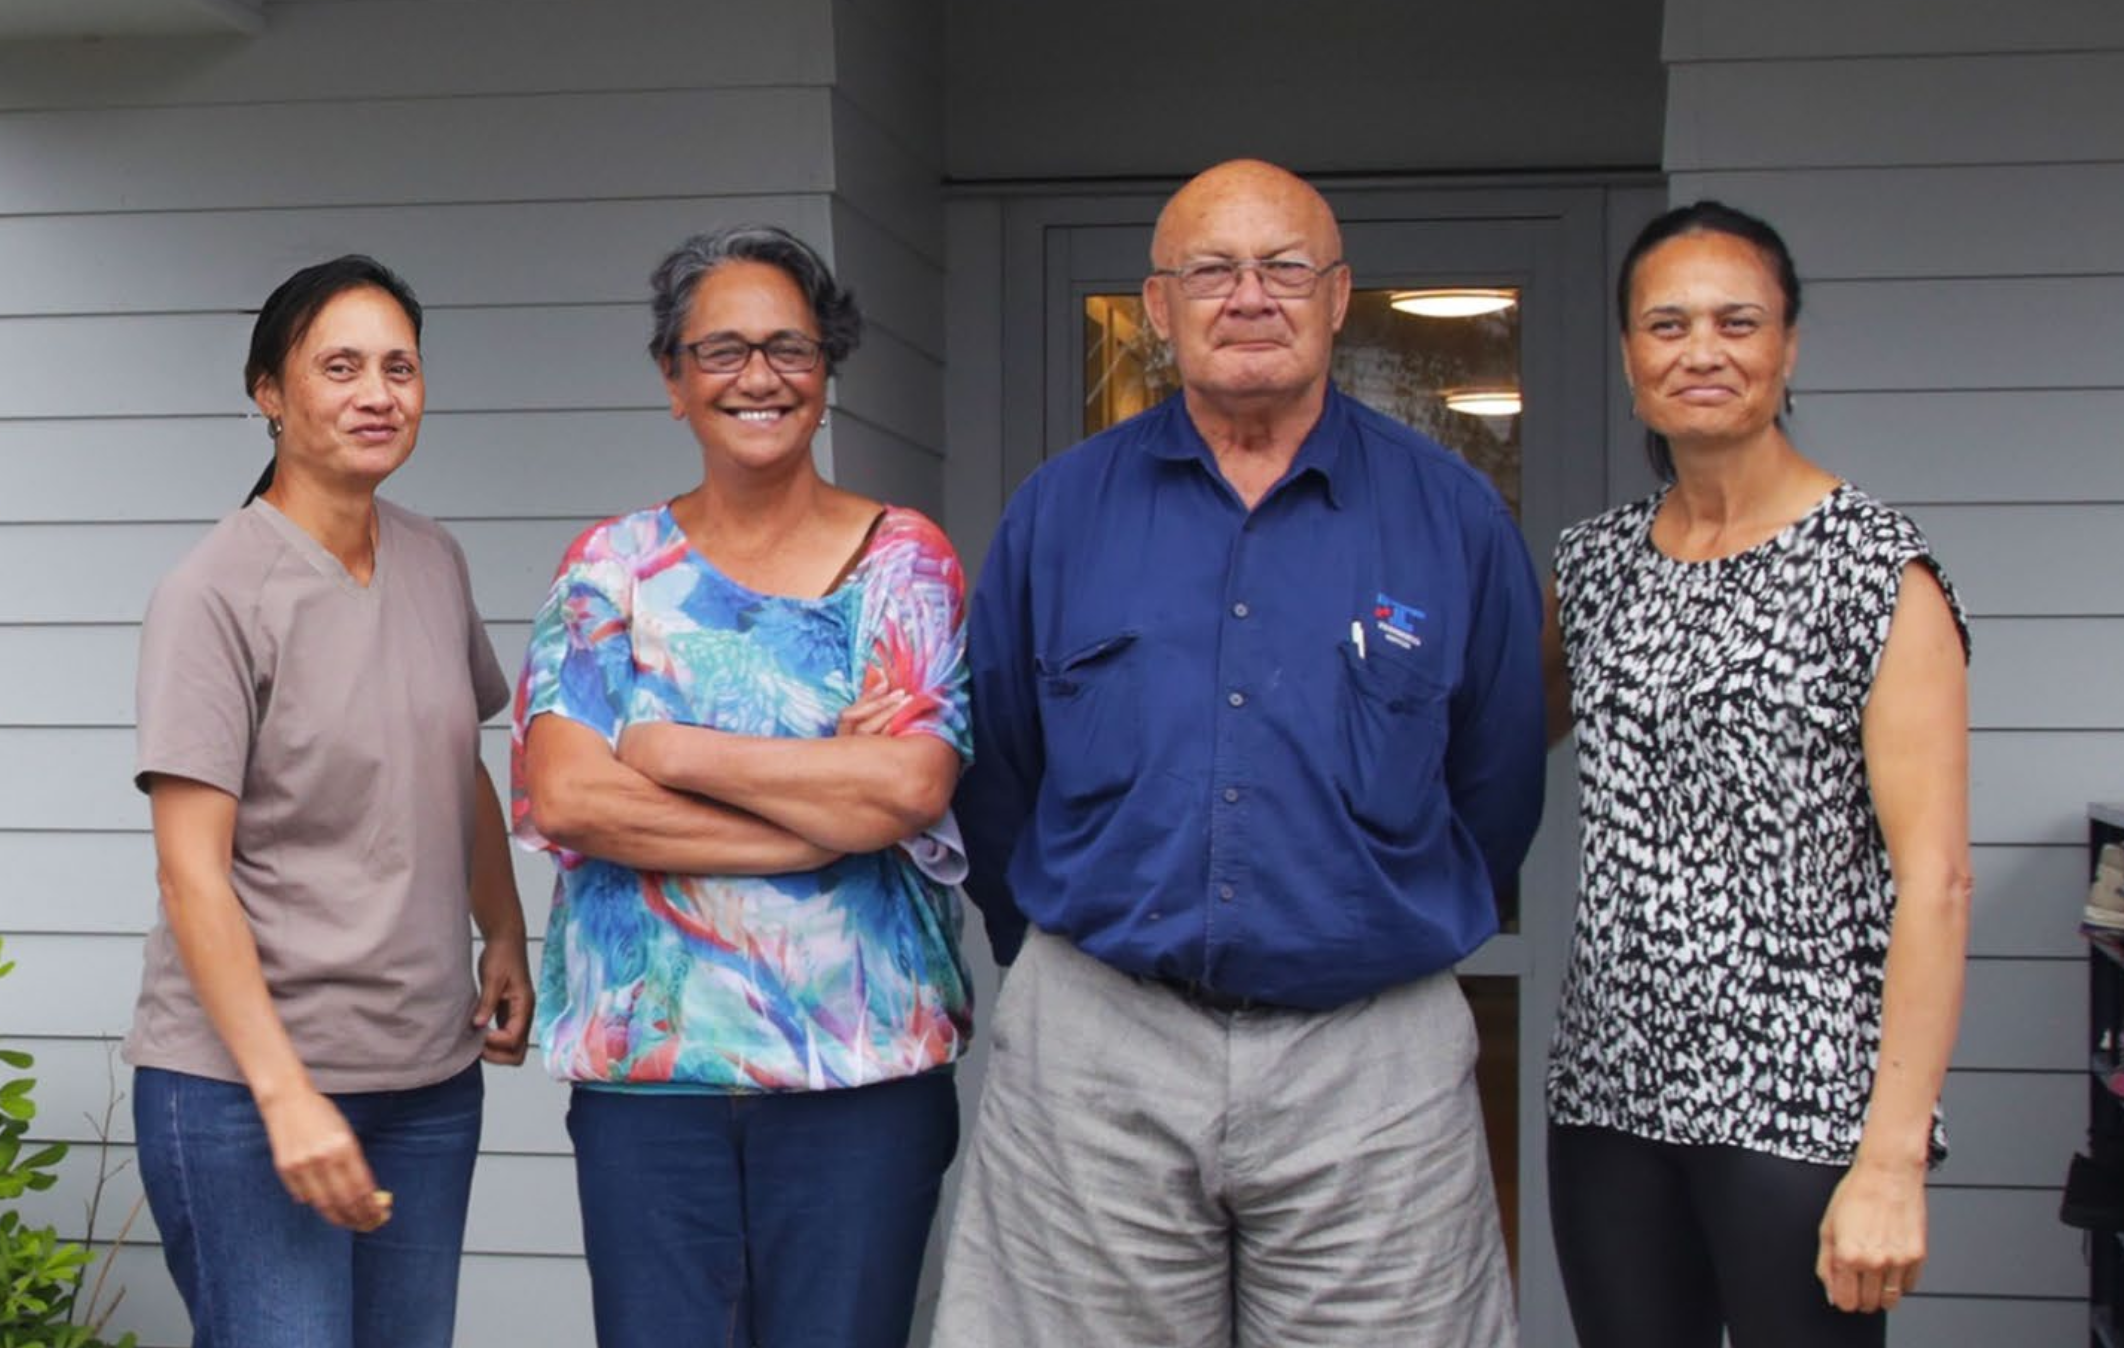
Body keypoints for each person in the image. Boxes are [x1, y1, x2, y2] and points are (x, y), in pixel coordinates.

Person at [934, 158, 1545, 1348]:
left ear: (1339, 295)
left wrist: (1370, 923)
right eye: (1211, 269)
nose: (1249, 295)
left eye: (1285, 268)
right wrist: (1072, 970)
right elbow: (997, 766)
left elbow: (1497, 779)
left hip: (1369, 1059)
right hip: (1101, 1050)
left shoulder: (1452, 517)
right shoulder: (1059, 513)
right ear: (1159, 307)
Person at [512, 224, 971, 1348]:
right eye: (719, 350)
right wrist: (812, 824)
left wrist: (668, 747)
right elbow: (568, 796)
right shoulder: (608, 566)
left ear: (827, 373)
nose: (756, 376)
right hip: (648, 1085)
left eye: (789, 348)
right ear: (672, 380)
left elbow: (907, 787)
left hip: (861, 1080)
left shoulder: (905, 561)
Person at [1541, 200, 1972, 1348]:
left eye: (1738, 321)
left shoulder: (1878, 569)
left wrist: (1893, 1158)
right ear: (1630, 357)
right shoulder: (1591, 568)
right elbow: (1472, 747)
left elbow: (1934, 879)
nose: (1702, 350)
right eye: (1666, 323)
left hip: (1801, 1104)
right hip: (1610, 1092)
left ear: (1787, 348)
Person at [125, 255, 533, 1348]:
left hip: (428, 1079)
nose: (377, 393)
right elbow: (191, 872)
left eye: (399, 367)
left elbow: (459, 764)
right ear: (269, 391)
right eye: (340, 365)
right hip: (244, 1092)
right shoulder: (213, 593)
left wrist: (503, 926)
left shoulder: (435, 559)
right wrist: (285, 1096)